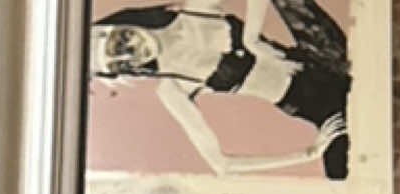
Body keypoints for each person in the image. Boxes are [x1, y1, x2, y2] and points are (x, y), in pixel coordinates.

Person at [90, 0, 350, 180]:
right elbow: (222, 165)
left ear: (125, 23)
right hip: (321, 110)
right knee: (340, 175)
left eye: (120, 41)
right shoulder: (172, 89)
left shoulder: (195, 10)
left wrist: (251, 39)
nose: (132, 53)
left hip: (322, 56)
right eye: (122, 63)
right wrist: (308, 154)